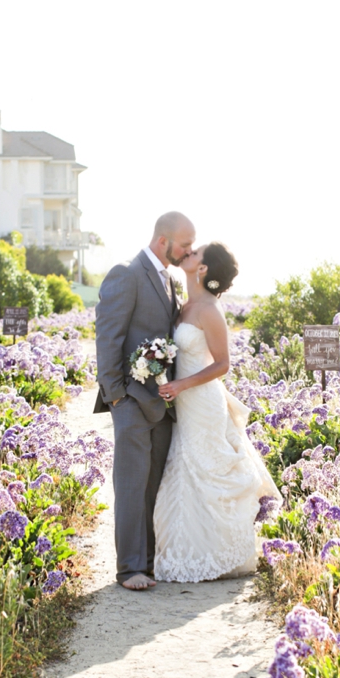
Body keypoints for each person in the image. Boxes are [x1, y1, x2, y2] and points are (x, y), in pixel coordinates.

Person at [154, 242, 280, 582]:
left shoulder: (209, 309)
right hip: (184, 398)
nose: (189, 253)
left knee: (207, 467)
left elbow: (223, 365)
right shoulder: (184, 302)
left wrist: (181, 385)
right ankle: (186, 552)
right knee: (185, 468)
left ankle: (220, 554)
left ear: (204, 269)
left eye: (195, 253)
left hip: (202, 399)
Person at [94, 212, 195, 590]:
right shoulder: (127, 273)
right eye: (184, 244)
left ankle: (149, 563)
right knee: (132, 485)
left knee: (153, 484)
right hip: (131, 399)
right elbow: (108, 337)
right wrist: (116, 395)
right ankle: (129, 569)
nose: (189, 251)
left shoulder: (169, 280)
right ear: (162, 241)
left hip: (162, 403)